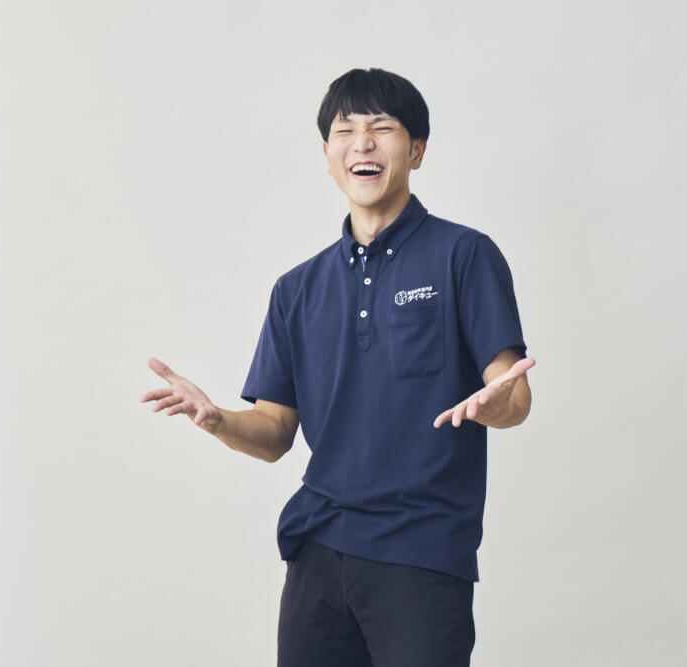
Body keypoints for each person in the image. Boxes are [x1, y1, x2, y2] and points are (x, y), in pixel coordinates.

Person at [139, 67, 534, 667]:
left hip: (422, 550)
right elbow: (274, 432)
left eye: (383, 128)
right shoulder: (296, 289)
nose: (362, 143)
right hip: (318, 549)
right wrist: (217, 418)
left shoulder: (464, 255)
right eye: (345, 130)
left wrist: (494, 402)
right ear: (327, 155)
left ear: (417, 150)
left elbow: (514, 395)